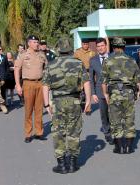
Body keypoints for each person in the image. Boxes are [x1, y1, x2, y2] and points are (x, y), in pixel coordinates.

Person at [42, 37, 91, 174]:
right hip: (74, 101)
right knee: (74, 131)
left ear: (59, 49)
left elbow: (45, 85)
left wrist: (46, 104)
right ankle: (73, 163)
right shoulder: (78, 63)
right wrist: (87, 100)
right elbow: (86, 82)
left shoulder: (51, 64)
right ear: (70, 48)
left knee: (58, 132)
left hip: (58, 102)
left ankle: (62, 164)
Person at [101, 37, 140, 154]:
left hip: (114, 93)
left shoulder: (108, 61)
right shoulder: (132, 60)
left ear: (113, 47)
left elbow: (103, 81)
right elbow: (138, 80)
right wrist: (137, 92)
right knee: (129, 119)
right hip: (128, 92)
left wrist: (105, 94)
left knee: (115, 120)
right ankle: (128, 147)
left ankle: (118, 147)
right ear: (124, 47)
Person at [14, 35, 48, 143]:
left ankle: (39, 132)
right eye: (34, 42)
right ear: (29, 43)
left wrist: (47, 85)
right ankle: (28, 134)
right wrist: (18, 85)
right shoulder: (23, 55)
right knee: (28, 110)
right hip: (28, 83)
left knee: (39, 109)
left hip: (40, 83)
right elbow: (16, 69)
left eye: (37, 42)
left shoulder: (42, 55)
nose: (36, 44)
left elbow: (46, 69)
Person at [89, 37, 113, 144]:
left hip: (113, 91)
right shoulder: (93, 60)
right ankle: (107, 132)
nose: (100, 48)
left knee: (114, 113)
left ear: (106, 46)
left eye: (102, 45)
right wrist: (93, 93)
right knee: (104, 113)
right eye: (98, 46)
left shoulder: (113, 57)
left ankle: (116, 131)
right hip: (100, 92)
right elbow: (91, 78)